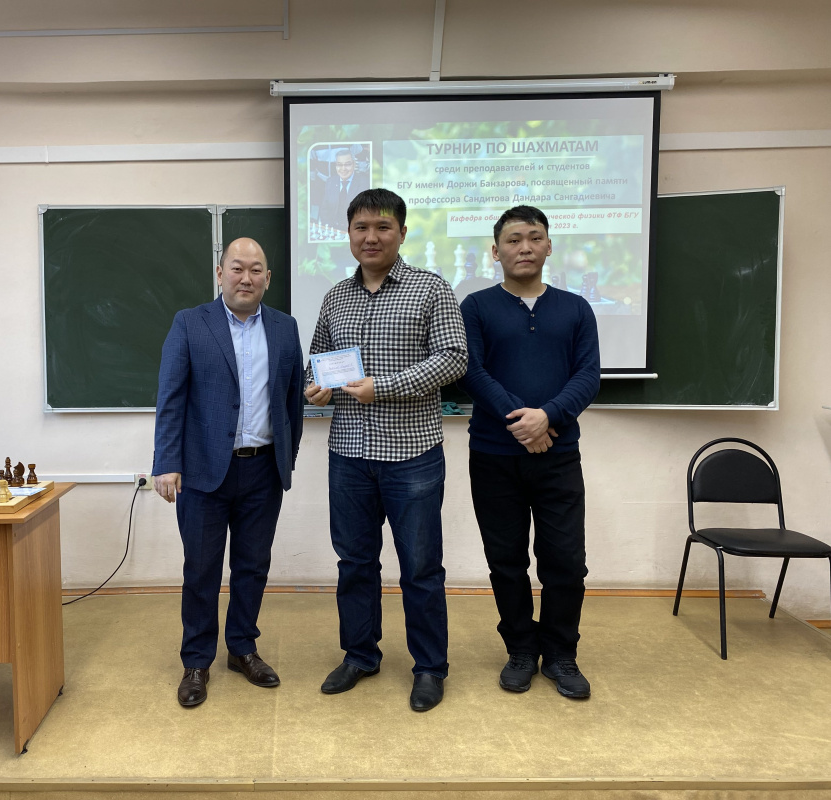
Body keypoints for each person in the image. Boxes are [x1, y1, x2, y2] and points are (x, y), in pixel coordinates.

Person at [305, 188, 467, 712]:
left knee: (420, 568)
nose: (370, 237)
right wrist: (316, 387)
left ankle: (430, 668)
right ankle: (360, 655)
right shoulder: (336, 297)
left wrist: (386, 387)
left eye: (382, 227)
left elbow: (453, 358)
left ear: (401, 232)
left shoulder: (431, 288)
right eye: (361, 228)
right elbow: (318, 358)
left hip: (412, 455)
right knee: (354, 563)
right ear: (349, 234)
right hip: (349, 454)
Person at [153, 237, 305, 707]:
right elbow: (171, 397)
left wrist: (287, 458)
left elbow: (292, 400)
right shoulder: (189, 323)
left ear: (267, 278)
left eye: (256, 269)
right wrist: (167, 462)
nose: (246, 277)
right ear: (220, 274)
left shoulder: (284, 327)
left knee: (253, 566)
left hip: (263, 471)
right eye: (237, 268)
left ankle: (242, 648)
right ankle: (196, 661)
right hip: (203, 472)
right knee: (201, 569)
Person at [457, 205, 600, 699]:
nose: (525, 247)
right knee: (506, 560)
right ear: (496, 252)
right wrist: (523, 421)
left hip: (559, 454)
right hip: (493, 456)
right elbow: (472, 372)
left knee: (566, 561)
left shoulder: (576, 308)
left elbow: (588, 375)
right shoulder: (476, 306)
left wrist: (549, 416)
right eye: (513, 240)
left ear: (549, 246)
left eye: (534, 238)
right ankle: (520, 648)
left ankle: (561, 654)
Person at [317, 149, 370, 233]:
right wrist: (330, 229)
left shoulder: (364, 183)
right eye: (339, 164)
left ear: (354, 164)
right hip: (333, 230)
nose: (343, 168)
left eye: (347, 164)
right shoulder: (330, 182)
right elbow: (324, 210)